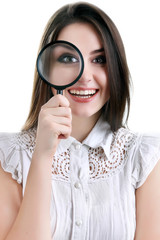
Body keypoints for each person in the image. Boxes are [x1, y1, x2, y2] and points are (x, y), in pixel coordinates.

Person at [0, 2, 160, 240]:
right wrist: (42, 156)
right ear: (47, 68)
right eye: (67, 58)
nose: (85, 76)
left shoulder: (145, 158)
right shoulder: (9, 156)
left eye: (99, 59)